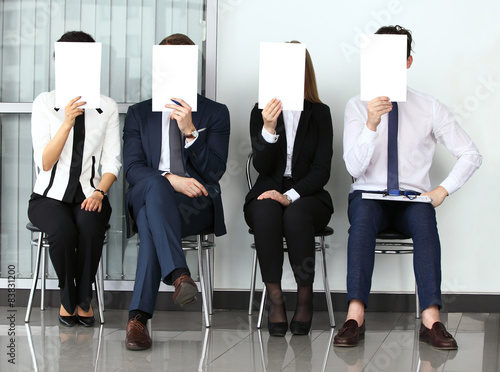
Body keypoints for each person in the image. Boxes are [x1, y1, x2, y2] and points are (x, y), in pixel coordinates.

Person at [334, 25, 482, 349]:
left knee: (425, 220)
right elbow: (353, 169)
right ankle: (354, 316)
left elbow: (471, 154)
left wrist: (443, 190)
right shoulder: (357, 106)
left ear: (408, 62)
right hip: (368, 196)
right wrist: (371, 125)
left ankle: (431, 320)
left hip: (412, 199)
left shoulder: (429, 106)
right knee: (361, 222)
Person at [122, 33, 230, 350]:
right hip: (149, 191)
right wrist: (171, 179)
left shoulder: (215, 112)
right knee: (155, 185)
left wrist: (191, 133)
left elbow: (215, 172)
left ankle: (138, 320)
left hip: (194, 205)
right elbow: (132, 169)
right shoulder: (139, 113)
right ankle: (179, 273)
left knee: (151, 219)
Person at [28, 31, 121, 328]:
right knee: (63, 232)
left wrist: (99, 193)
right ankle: (70, 297)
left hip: (91, 194)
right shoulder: (44, 103)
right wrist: (67, 122)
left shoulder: (107, 107)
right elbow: (44, 161)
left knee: (90, 227)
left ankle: (84, 297)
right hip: (48, 196)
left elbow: (112, 161)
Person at [244, 43, 333, 337]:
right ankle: (276, 299)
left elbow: (322, 170)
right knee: (267, 214)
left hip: (309, 194)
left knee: (295, 215)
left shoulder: (320, 113)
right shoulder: (260, 112)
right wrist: (268, 128)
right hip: (268, 188)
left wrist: (291, 196)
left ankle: (305, 298)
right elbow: (261, 165)